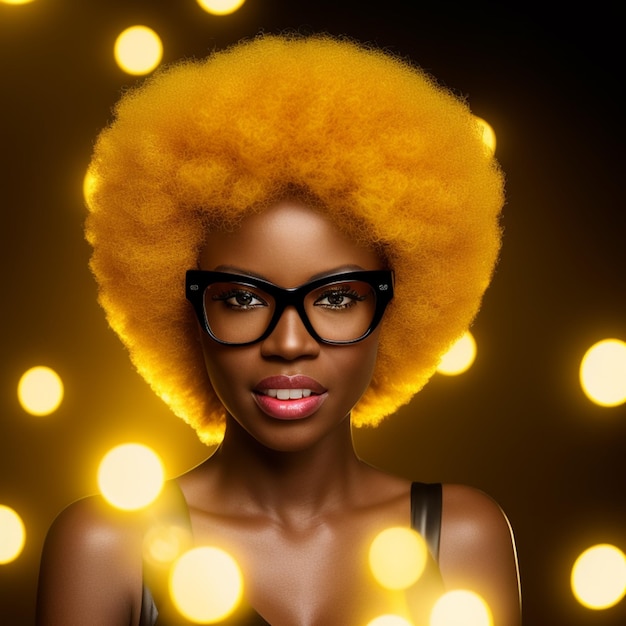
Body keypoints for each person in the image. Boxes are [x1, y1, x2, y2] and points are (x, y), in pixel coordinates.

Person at [36, 34, 521, 625]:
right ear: (182, 307)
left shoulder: (463, 538)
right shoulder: (107, 546)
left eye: (337, 297)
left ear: (399, 306)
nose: (289, 343)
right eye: (242, 298)